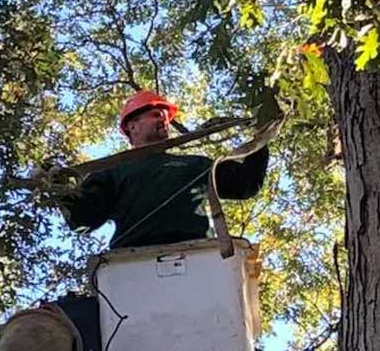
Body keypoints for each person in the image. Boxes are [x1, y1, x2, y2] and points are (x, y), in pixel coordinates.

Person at [52, 90, 270, 249]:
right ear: (132, 126)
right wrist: (58, 188)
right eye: (156, 115)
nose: (163, 120)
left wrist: (261, 138)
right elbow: (82, 218)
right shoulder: (114, 171)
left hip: (197, 254)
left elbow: (246, 183)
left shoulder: (195, 165)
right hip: (132, 260)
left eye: (165, 117)